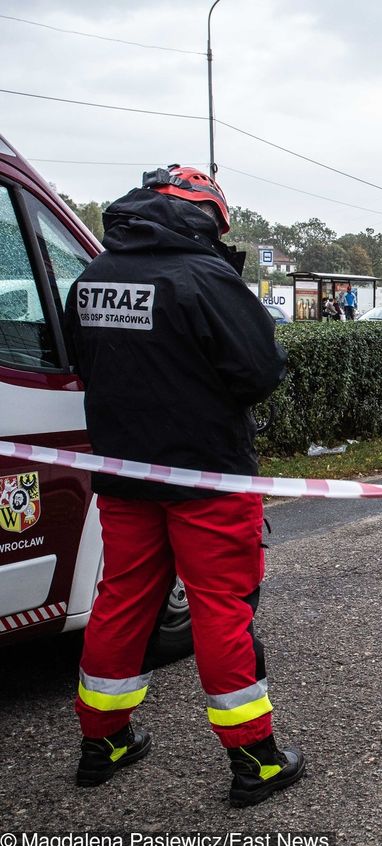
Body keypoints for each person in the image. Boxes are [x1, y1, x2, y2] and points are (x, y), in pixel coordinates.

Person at [62, 165, 303, 807]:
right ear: (204, 213)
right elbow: (260, 370)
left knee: (121, 601)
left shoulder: (93, 277)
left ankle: (102, 742)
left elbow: (81, 363)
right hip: (208, 477)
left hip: (123, 475)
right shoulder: (204, 277)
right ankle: (256, 759)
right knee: (221, 607)